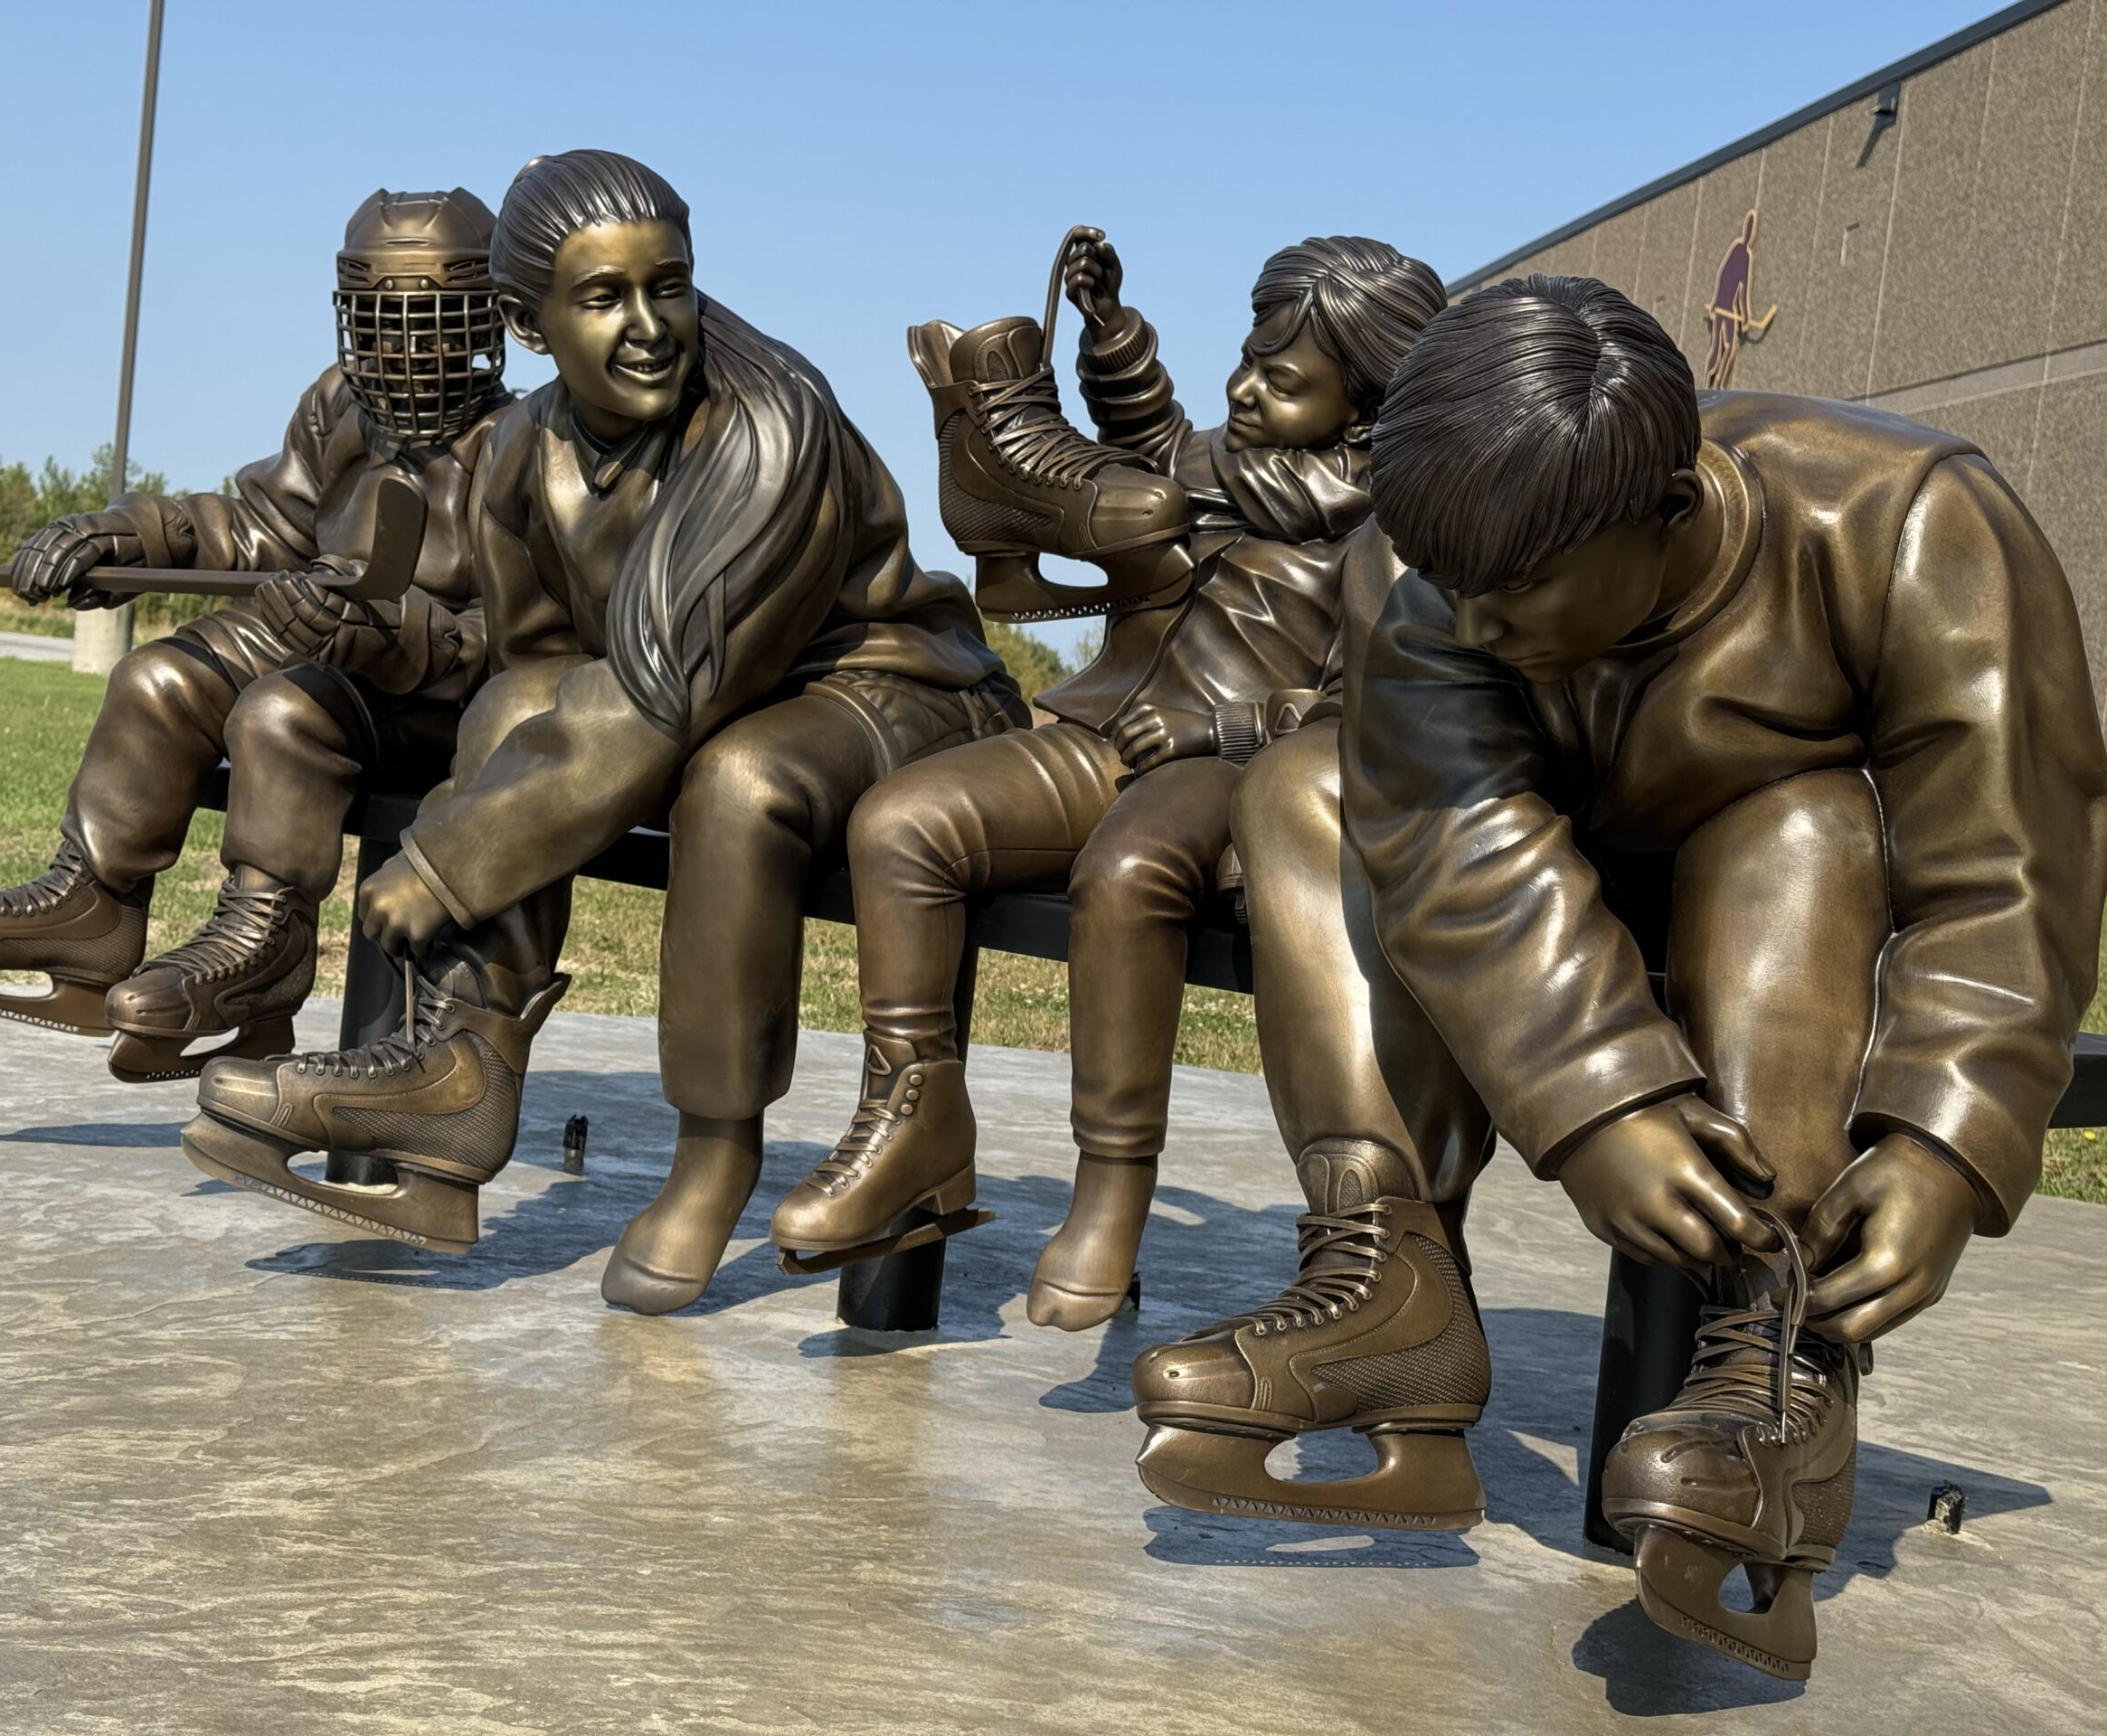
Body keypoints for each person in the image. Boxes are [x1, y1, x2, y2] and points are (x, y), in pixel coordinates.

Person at [1182, 272, 2107, 1678]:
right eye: (1450, 584)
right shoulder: (1421, 568)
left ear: (1668, 511)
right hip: (1546, 904)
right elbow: (1457, 840)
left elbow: (2009, 858)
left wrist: (1943, 1143)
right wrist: (1603, 1099)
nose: (1471, 625)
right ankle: (1391, 1278)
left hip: (1799, 919)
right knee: (1306, 788)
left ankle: (1777, 1356)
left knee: (1800, 819)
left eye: (1519, 592)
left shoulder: (1911, 523)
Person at [184, 151, 1024, 1269]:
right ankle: (458, 1085)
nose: (648, 326)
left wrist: (447, 862)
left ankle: (713, 1156)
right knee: (516, 710)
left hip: (884, 686)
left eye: (668, 286)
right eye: (602, 297)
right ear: (527, 326)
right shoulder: (522, 449)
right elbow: (534, 669)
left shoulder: (771, 427)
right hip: (700, 697)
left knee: (739, 784)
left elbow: (667, 685)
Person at [764, 232, 1450, 1327]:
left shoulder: (1405, 527)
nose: (1245, 389)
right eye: (1248, 361)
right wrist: (1110, 330)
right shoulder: (1220, 461)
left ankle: (1111, 1186)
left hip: (1244, 770)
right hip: (1120, 726)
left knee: (1127, 870)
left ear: (1365, 406)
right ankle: (913, 1121)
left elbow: (1379, 703)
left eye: (1281, 380)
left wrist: (1224, 724)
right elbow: (1147, 437)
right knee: (901, 822)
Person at [0, 189, 513, 1081]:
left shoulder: (520, 444)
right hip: (317, 637)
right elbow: (264, 528)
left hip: (434, 698)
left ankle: (263, 946)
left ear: (487, 320)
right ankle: (90, 907)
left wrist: (391, 632)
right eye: (379, 322)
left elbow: (521, 632)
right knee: (160, 680)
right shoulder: (339, 405)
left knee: (282, 711)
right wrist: (132, 535)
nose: (402, 348)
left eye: (430, 323)